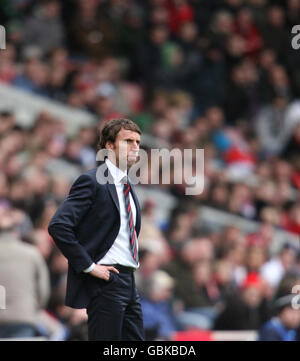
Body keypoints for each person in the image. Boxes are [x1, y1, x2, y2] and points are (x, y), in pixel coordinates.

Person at [48, 118, 145, 341]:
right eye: (128, 141)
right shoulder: (92, 181)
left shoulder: (127, 186)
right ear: (109, 146)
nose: (135, 147)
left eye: (138, 142)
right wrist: (89, 266)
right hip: (106, 281)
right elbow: (59, 225)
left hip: (128, 280)